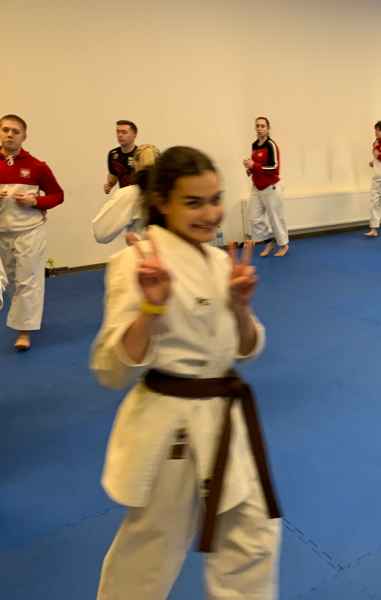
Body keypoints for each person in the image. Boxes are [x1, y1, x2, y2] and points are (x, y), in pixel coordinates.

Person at [91, 146, 282, 600]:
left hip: (224, 420)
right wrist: (152, 307)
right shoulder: (137, 262)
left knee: (253, 536)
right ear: (162, 202)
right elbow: (110, 369)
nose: (211, 214)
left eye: (215, 200)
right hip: (170, 429)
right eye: (193, 203)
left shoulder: (218, 261)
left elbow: (246, 348)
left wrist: (240, 307)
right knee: (151, 551)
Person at [0, 114, 64, 352]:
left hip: (29, 230)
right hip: (1, 232)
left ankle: (24, 331)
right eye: (5, 130)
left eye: (15, 131)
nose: (10, 134)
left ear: (24, 136)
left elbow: (57, 195)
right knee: (11, 280)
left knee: (28, 280)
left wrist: (35, 201)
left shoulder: (37, 166)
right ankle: (23, 317)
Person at [93, 145, 160, 244]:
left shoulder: (129, 195)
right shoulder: (170, 193)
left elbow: (101, 233)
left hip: (144, 251)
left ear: (134, 164)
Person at [244, 117, 288, 257]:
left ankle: (284, 245)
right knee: (254, 217)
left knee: (275, 218)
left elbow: (274, 168)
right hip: (257, 186)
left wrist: (254, 166)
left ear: (268, 128)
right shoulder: (254, 145)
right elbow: (257, 165)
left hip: (271, 186)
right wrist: (250, 169)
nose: (260, 128)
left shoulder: (271, 145)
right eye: (257, 126)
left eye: (263, 126)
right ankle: (268, 242)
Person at [105, 120, 139, 194]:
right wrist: (109, 185)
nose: (120, 135)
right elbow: (113, 176)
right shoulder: (113, 154)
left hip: (138, 196)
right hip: (123, 195)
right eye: (118, 132)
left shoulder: (141, 154)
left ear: (134, 135)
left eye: (124, 132)